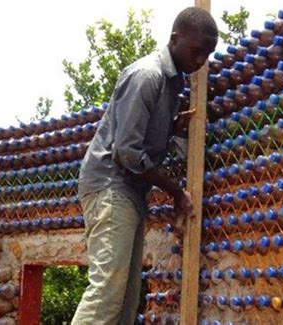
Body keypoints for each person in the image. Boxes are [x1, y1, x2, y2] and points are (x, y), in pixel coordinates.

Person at [72, 7, 218, 325]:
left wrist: (171, 129)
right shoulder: (147, 76)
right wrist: (176, 191)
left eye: (207, 54)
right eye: (196, 51)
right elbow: (126, 153)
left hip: (130, 193)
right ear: (175, 39)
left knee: (125, 301)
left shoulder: (172, 84)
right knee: (107, 293)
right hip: (111, 186)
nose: (200, 61)